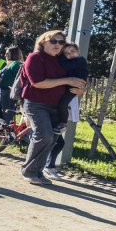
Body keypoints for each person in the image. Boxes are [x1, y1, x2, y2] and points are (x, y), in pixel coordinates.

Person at [19, 30, 86, 186]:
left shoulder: (63, 60)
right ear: (43, 42)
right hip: (36, 103)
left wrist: (81, 88)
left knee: (53, 139)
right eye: (53, 41)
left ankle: (37, 171)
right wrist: (67, 80)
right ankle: (29, 171)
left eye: (61, 42)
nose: (58, 45)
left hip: (57, 105)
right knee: (44, 135)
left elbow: (77, 79)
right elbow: (37, 82)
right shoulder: (35, 57)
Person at [45, 41, 89, 178]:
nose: (69, 55)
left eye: (72, 52)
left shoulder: (79, 61)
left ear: (78, 52)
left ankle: (48, 165)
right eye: (66, 53)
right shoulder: (60, 62)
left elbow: (75, 75)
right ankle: (47, 165)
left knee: (57, 141)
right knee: (56, 141)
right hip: (51, 104)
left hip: (69, 92)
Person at [0, 46, 22, 118]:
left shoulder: (17, 64)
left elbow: (20, 78)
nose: (5, 55)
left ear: (14, 54)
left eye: (7, 53)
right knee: (0, 112)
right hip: (3, 91)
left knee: (7, 114)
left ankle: (8, 128)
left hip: (8, 92)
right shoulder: (10, 64)